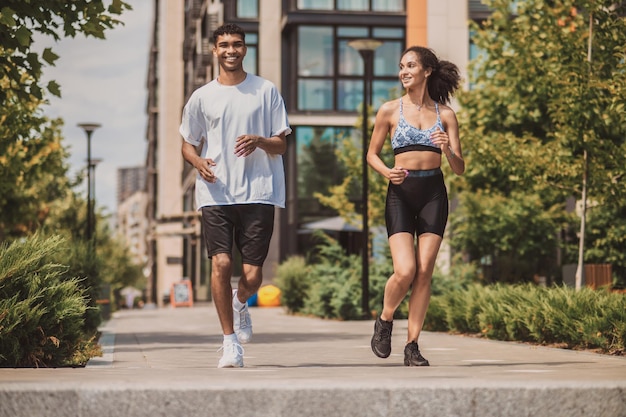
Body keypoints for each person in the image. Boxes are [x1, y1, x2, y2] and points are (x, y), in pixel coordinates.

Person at [179, 23, 291, 368]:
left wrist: (258, 140)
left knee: (253, 276)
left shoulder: (265, 90)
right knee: (221, 263)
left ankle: (240, 303)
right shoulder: (202, 97)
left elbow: (282, 143)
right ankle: (230, 343)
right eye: (224, 45)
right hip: (216, 191)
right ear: (215, 50)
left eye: (237, 44)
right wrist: (198, 162)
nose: (231, 50)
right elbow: (187, 143)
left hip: (259, 190)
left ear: (245, 49)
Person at [367, 46, 464, 366]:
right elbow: (372, 154)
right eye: (401, 66)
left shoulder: (445, 114)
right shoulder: (389, 110)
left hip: (434, 194)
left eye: (410, 65)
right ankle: (385, 318)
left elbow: (460, 167)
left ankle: (412, 346)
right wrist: (386, 172)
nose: (403, 71)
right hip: (400, 193)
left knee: (424, 274)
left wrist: (448, 149)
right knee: (405, 270)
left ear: (427, 71)